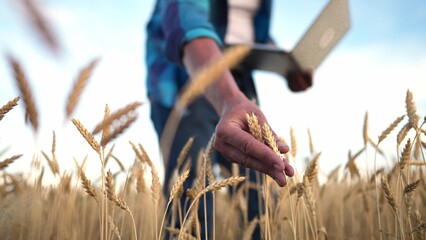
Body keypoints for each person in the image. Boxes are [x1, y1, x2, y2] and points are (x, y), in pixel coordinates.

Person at [145, 0, 313, 239]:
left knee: (262, 197)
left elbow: (246, 30)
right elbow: (188, 21)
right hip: (185, 79)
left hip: (239, 81)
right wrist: (229, 98)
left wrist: (288, 64)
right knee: (192, 199)